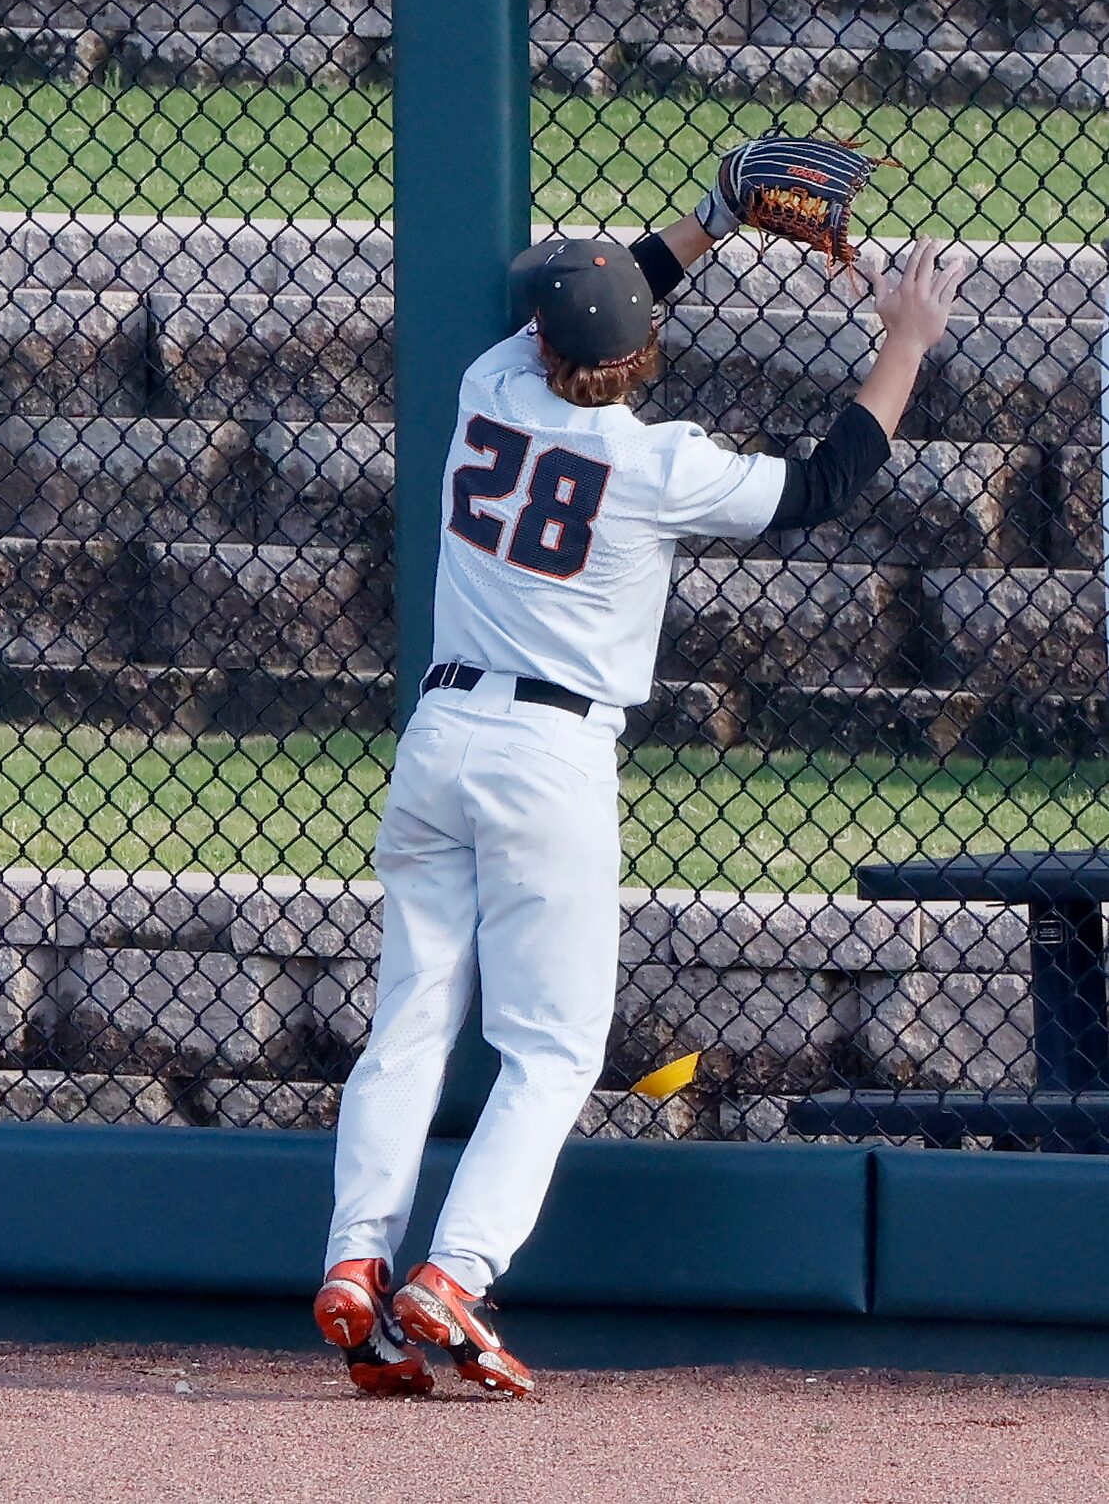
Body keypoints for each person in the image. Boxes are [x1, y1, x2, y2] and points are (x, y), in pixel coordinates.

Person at [314, 138, 967, 1400]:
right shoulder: (661, 467)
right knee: (551, 1047)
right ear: (639, 359)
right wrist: (906, 341)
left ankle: (356, 1260)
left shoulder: (490, 389)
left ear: (546, 341)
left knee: (411, 1019)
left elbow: (603, 305)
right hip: (551, 759)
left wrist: (712, 221)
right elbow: (824, 483)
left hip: (438, 742)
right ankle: (452, 1274)